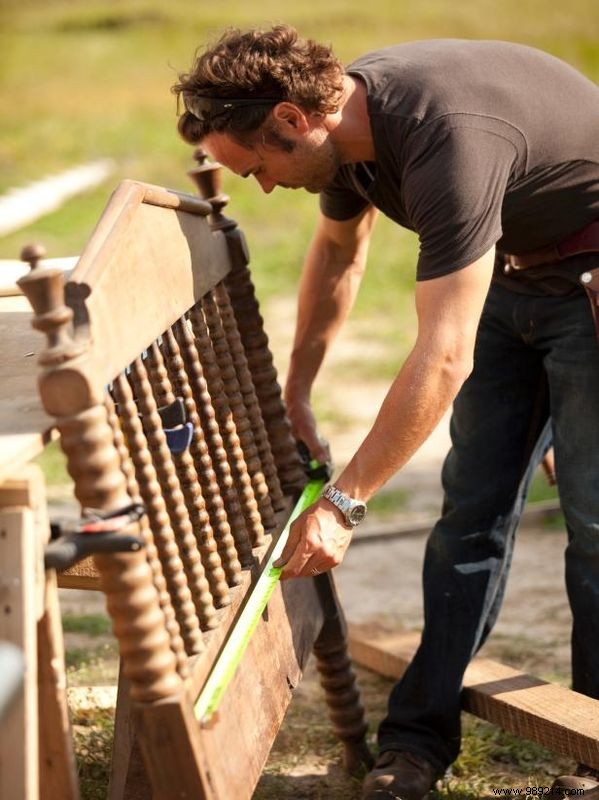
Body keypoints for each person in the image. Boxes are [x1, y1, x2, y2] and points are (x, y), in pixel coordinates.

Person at [173, 26, 599, 799]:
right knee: (469, 511)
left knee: (595, 522)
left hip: (592, 277)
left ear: (293, 120)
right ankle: (415, 744)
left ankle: (595, 744)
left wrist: (343, 503)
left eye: (259, 166)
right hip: (510, 267)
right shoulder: (347, 138)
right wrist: (296, 392)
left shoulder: (447, 138)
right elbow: (338, 257)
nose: (264, 185)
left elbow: (442, 356)